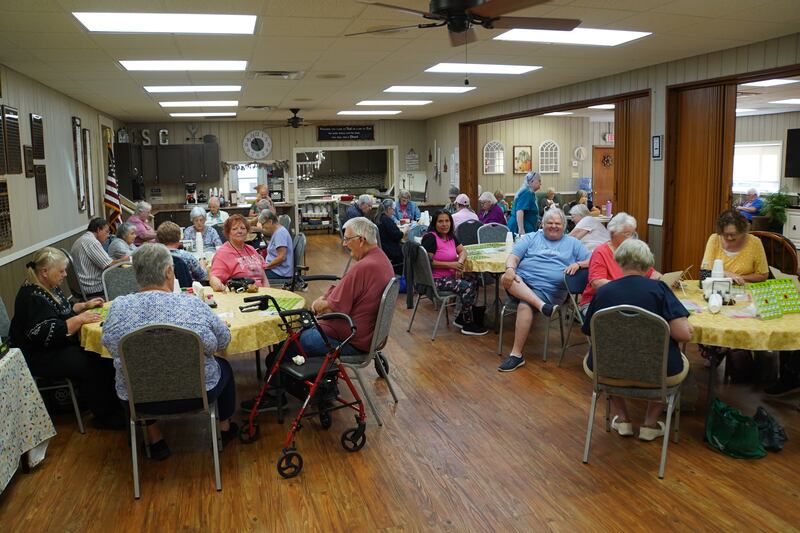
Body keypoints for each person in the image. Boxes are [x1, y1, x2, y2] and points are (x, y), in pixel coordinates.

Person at [102, 243, 237, 459]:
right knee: (225, 368)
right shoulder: (192, 305)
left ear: (137, 274)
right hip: (196, 393)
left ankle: (154, 438)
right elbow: (221, 341)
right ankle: (224, 428)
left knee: (139, 372)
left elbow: (110, 346)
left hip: (138, 398)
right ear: (168, 272)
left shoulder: (118, 307)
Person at [581, 239, 692, 441]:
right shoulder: (660, 290)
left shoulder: (604, 292)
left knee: (608, 354)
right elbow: (684, 335)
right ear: (648, 263)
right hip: (658, 371)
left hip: (608, 370)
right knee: (672, 355)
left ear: (620, 261)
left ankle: (623, 419)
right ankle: (650, 424)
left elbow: (589, 331)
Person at [9, 247, 125, 429]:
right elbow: (47, 331)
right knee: (92, 361)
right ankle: (105, 415)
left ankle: (114, 406)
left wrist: (83, 306)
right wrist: (79, 319)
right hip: (38, 355)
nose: (64, 275)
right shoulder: (31, 295)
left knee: (99, 355)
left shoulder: (48, 287)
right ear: (45, 272)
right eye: (61, 271)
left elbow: (63, 310)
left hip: (52, 348)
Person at [498, 208, 590, 372]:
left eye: (558, 223)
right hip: (522, 283)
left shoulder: (573, 243)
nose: (554, 226)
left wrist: (578, 264)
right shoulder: (531, 237)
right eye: (550, 222)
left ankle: (516, 355)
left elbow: (593, 260)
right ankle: (542, 307)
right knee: (506, 277)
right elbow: (514, 256)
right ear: (542, 223)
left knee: (525, 305)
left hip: (550, 290)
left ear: (564, 225)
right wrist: (510, 269)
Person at [302, 217, 394, 355]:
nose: (344, 244)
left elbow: (331, 307)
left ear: (361, 240)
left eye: (347, 239)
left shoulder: (364, 267)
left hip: (350, 340)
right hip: (366, 336)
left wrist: (316, 305)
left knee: (297, 339)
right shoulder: (382, 259)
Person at [421, 210, 487, 336]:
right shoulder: (430, 238)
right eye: (440, 221)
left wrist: (459, 265)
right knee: (466, 287)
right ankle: (467, 323)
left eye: (447, 221)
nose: (444, 224)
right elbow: (428, 263)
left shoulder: (451, 237)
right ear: (434, 223)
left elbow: (463, 252)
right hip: (435, 280)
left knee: (474, 277)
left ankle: (462, 316)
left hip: (449, 276)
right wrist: (451, 265)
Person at [580, 212, 660, 311]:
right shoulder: (600, 252)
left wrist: (659, 278)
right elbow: (597, 283)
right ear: (613, 233)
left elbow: (651, 272)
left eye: (633, 233)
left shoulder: (633, 250)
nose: (632, 238)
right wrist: (628, 288)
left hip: (627, 300)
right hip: (598, 301)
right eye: (627, 234)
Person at [701, 209, 768, 284]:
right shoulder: (714, 239)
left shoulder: (755, 242)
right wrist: (726, 274)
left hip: (744, 290)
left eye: (733, 234)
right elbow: (706, 271)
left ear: (743, 231)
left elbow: (763, 275)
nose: (729, 238)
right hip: (717, 288)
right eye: (725, 234)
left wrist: (738, 278)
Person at [71, 217, 130, 299]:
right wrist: (124, 260)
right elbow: (108, 265)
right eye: (106, 232)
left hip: (81, 286)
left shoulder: (81, 239)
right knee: (125, 282)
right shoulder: (92, 242)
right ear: (98, 230)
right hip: (92, 287)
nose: (108, 235)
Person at [209, 215, 268, 291]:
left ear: (247, 231)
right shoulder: (223, 253)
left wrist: (268, 293)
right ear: (228, 232)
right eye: (234, 229)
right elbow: (215, 278)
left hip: (261, 295)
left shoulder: (251, 249)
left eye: (243, 228)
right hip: (241, 298)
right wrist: (218, 286)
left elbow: (264, 278)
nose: (239, 231)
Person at [259, 209, 294, 279]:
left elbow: (281, 257)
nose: (263, 228)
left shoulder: (280, 234)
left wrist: (265, 266)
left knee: (253, 276)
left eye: (263, 225)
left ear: (270, 222)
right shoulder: (277, 231)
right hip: (276, 269)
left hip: (280, 272)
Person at [376, 199, 408, 271]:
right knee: (408, 251)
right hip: (391, 251)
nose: (393, 213)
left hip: (383, 248)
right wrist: (404, 231)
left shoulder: (377, 217)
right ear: (389, 209)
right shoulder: (386, 220)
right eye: (393, 210)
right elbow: (397, 236)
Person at [508, 171, 541, 236]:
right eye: (539, 181)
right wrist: (521, 229)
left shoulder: (530, 193)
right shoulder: (527, 192)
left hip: (528, 226)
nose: (541, 183)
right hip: (519, 228)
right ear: (531, 181)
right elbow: (520, 211)